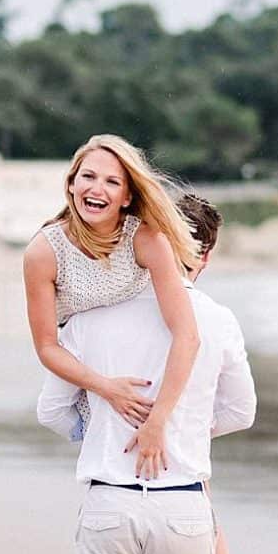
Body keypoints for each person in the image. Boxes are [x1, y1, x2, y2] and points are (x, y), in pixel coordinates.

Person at [38, 194, 256, 554]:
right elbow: (241, 412)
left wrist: (106, 431)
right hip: (183, 506)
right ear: (203, 255)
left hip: (109, 504)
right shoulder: (219, 320)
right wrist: (182, 429)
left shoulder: (91, 315)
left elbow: (52, 411)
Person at [23, 134, 203, 482]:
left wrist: (158, 420)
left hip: (135, 341)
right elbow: (46, 346)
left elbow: (187, 334)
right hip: (81, 353)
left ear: (126, 197)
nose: (97, 189)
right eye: (88, 176)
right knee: (51, 412)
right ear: (71, 183)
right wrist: (104, 387)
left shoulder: (146, 239)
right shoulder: (43, 252)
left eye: (112, 182)